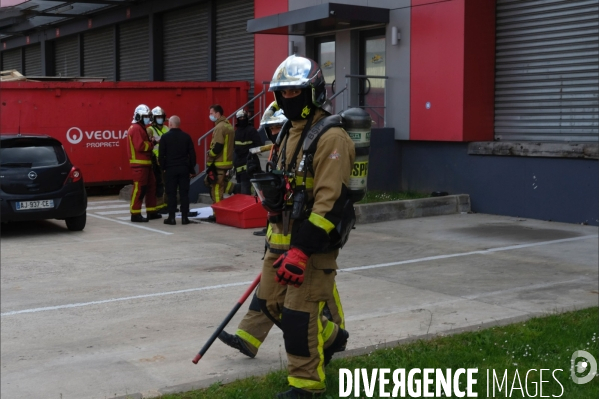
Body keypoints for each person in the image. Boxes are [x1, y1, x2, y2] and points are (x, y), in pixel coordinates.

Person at [226, 55, 356, 398]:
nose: (288, 100)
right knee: (270, 303)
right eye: (282, 94)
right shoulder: (286, 130)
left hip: (312, 245)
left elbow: (331, 201)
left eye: (296, 93)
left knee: (299, 315)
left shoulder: (332, 137)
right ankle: (332, 337)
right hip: (282, 237)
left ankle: (306, 385)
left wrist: (301, 250)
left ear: (313, 92)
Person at [250, 107, 288, 237]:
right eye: (271, 129)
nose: (274, 132)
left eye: (277, 127)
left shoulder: (292, 148)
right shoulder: (276, 148)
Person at [158, 116, 196, 226]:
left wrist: (163, 168)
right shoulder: (186, 137)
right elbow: (192, 155)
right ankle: (184, 218)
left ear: (170, 124)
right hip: (184, 169)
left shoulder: (165, 138)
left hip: (170, 169)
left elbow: (161, 156)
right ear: (179, 124)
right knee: (184, 193)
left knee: (171, 194)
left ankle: (171, 218)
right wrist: (191, 168)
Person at [126, 104, 161, 222]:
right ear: (139, 116)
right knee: (139, 189)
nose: (148, 118)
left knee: (151, 187)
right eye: (145, 116)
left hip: (146, 164)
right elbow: (140, 146)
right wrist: (152, 144)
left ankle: (151, 211)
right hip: (139, 165)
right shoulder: (136, 128)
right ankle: (135, 214)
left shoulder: (140, 128)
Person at [205, 104, 235, 204]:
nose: (210, 116)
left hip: (219, 163)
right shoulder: (228, 125)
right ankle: (235, 188)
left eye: (211, 113)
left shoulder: (219, 127)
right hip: (226, 162)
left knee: (216, 188)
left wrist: (210, 155)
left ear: (217, 114)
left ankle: (217, 212)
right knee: (215, 183)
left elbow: (217, 146)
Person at [233, 109, 263, 195]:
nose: (242, 119)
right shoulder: (237, 132)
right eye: (240, 118)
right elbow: (235, 149)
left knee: (249, 190)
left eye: (243, 117)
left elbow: (259, 146)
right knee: (244, 191)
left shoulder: (251, 130)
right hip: (240, 166)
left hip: (250, 165)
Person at [147, 106, 170, 215]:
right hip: (155, 161)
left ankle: (166, 205)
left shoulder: (166, 128)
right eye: (158, 117)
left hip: (166, 159)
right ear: (154, 118)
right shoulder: (150, 130)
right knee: (158, 183)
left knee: (167, 183)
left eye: (161, 117)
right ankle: (159, 206)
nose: (160, 119)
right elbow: (148, 145)